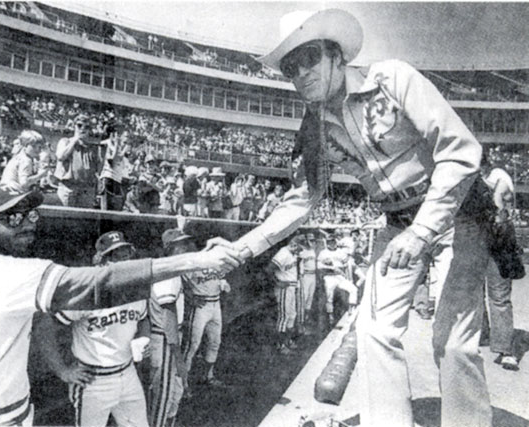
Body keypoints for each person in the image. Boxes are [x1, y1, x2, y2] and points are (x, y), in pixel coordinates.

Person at [206, 9, 492, 426]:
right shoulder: (314, 124)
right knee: (373, 331)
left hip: (457, 214)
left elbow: (461, 150)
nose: (301, 73)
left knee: (453, 344)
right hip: (395, 223)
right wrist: (242, 246)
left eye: (309, 58)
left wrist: (423, 230)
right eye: (290, 67)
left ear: (336, 56)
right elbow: (304, 196)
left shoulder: (392, 78)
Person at [0, 184, 241, 426]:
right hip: (6, 416)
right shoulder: (20, 274)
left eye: (31, 214)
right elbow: (100, 283)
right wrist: (196, 259)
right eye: (13, 218)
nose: (27, 224)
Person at [37, 231, 150, 427]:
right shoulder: (88, 292)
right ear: (102, 262)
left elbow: (143, 318)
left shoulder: (135, 288)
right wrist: (63, 371)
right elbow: (43, 326)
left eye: (126, 253)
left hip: (128, 372)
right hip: (94, 379)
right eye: (116, 255)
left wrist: (144, 337)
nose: (124, 259)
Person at [149, 228, 192, 427]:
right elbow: (168, 316)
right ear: (170, 249)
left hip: (171, 336)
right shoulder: (167, 274)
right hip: (165, 339)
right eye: (180, 246)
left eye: (185, 244)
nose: (185, 248)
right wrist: (178, 354)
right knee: (162, 396)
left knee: (175, 390)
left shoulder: (173, 270)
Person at [480, 159, 519, 370]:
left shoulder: (498, 175)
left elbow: (497, 199)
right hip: (476, 240)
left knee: (499, 296)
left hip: (499, 241)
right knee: (474, 293)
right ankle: (483, 333)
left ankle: (506, 350)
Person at [182, 249, 232, 391]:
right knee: (192, 345)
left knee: (215, 342)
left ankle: (208, 376)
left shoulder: (217, 264)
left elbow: (222, 279)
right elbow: (181, 284)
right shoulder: (193, 264)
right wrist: (190, 298)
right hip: (201, 306)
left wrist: (224, 284)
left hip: (215, 305)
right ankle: (183, 384)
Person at [54, 114, 99, 208]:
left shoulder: (91, 148)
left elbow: (96, 169)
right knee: (66, 217)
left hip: (86, 189)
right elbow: (60, 157)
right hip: (68, 187)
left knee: (85, 219)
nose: (82, 129)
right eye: (79, 125)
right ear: (74, 126)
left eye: (86, 127)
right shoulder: (65, 141)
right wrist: (74, 141)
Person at [266, 236, 301, 354]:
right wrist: (277, 282)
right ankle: (280, 345)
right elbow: (269, 269)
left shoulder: (292, 253)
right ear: (294, 244)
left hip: (291, 286)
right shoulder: (283, 253)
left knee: (292, 315)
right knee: (284, 317)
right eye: (299, 248)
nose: (300, 251)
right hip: (284, 288)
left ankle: (288, 341)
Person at [98, 122, 131, 211]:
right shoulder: (107, 144)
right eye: (119, 134)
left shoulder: (121, 147)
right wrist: (119, 147)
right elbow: (112, 161)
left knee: (115, 210)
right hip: (108, 178)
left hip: (117, 180)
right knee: (106, 210)